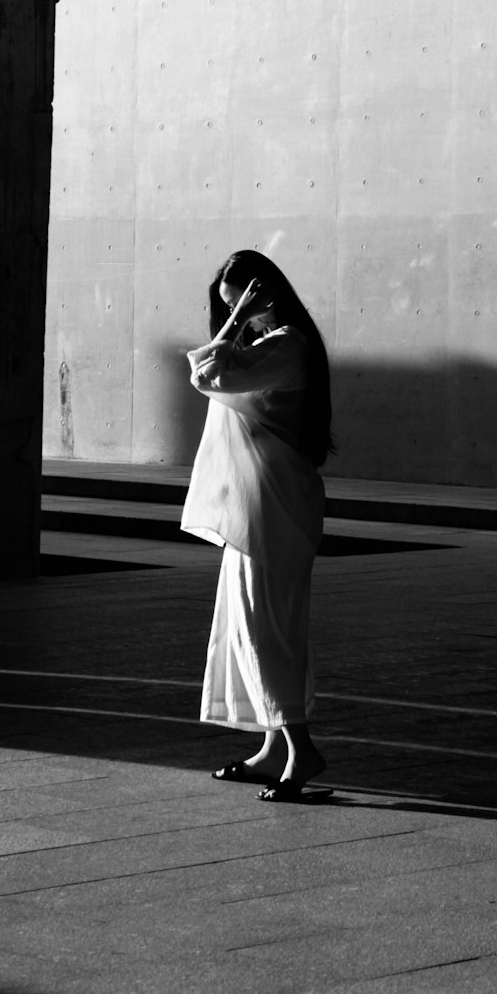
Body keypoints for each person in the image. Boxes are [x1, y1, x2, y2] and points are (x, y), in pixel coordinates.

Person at [180, 249, 335, 801]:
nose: (244, 316)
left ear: (265, 295)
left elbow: (209, 373)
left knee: (268, 629)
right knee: (248, 626)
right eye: (232, 307)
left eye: (247, 302)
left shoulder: (286, 344)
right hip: (255, 505)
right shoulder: (267, 346)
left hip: (274, 505)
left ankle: (301, 751)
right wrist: (238, 323)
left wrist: (233, 323)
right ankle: (274, 750)